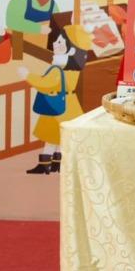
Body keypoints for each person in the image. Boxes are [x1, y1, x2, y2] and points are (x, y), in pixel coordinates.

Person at [18, 24, 86, 175]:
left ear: (71, 48)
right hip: (62, 104)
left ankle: (50, 165)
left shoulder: (63, 66)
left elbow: (48, 83)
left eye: (60, 42)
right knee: (55, 136)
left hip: (58, 105)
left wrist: (28, 75)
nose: (55, 44)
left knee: (56, 136)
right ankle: (54, 164)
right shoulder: (69, 64)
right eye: (56, 41)